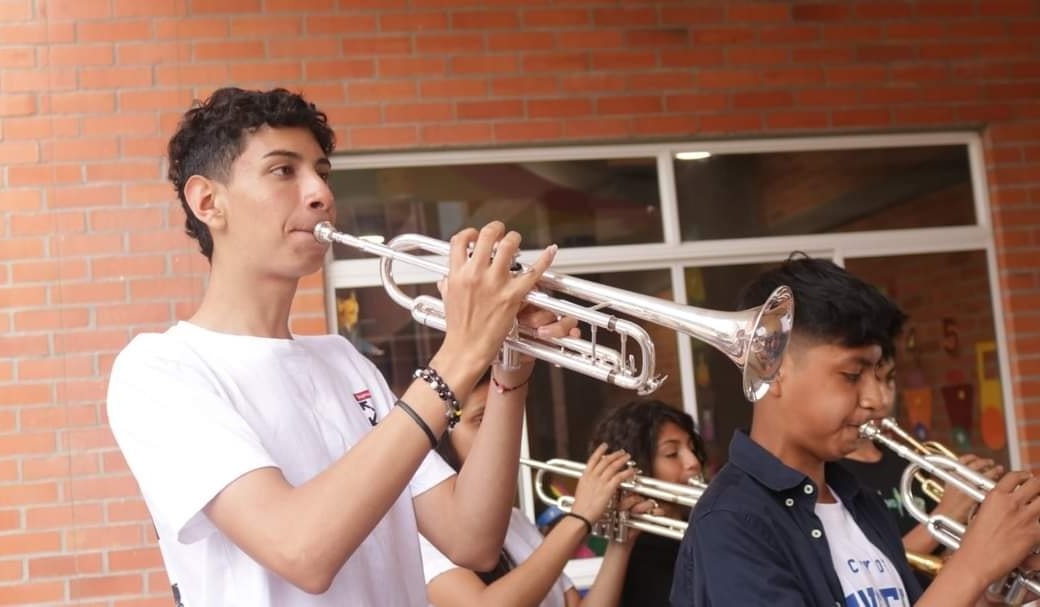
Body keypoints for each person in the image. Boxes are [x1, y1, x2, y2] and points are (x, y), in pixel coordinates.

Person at [106, 87, 577, 607]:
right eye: (284, 171)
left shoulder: (342, 359)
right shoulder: (161, 370)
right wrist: (461, 354)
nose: (320, 193)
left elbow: (473, 538)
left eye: (323, 173)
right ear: (208, 201)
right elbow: (301, 550)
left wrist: (508, 366)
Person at [670, 255, 1040, 607]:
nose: (878, 400)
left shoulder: (860, 501)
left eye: (878, 374)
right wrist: (972, 565)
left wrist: (994, 587)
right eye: (852, 375)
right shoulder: (730, 522)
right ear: (772, 369)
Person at [419, 375, 657, 607]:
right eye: (481, 420)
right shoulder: (424, 536)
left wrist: (620, 544)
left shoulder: (515, 522)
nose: (497, 434)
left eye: (501, 419)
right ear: (442, 439)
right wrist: (579, 518)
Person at [839, 337, 1003, 586]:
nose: (881, 399)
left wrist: (977, 518)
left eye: (889, 380)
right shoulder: (832, 475)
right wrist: (946, 512)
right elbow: (865, 569)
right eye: (857, 379)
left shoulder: (906, 462)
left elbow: (945, 556)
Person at [589, 400, 706, 607]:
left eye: (692, 448)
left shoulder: (705, 527)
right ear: (634, 468)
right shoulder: (634, 556)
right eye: (671, 453)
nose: (693, 462)